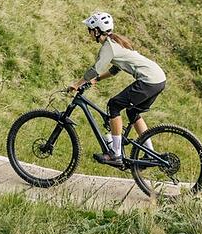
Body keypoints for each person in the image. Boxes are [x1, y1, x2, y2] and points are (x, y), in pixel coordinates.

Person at [68, 12, 166, 166]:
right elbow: (115, 69)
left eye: (89, 30)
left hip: (149, 80)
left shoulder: (109, 46)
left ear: (96, 31)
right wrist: (96, 80)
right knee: (132, 112)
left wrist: (77, 83)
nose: (89, 34)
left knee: (114, 105)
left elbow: (96, 69)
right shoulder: (116, 42)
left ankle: (116, 154)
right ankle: (150, 153)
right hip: (158, 79)